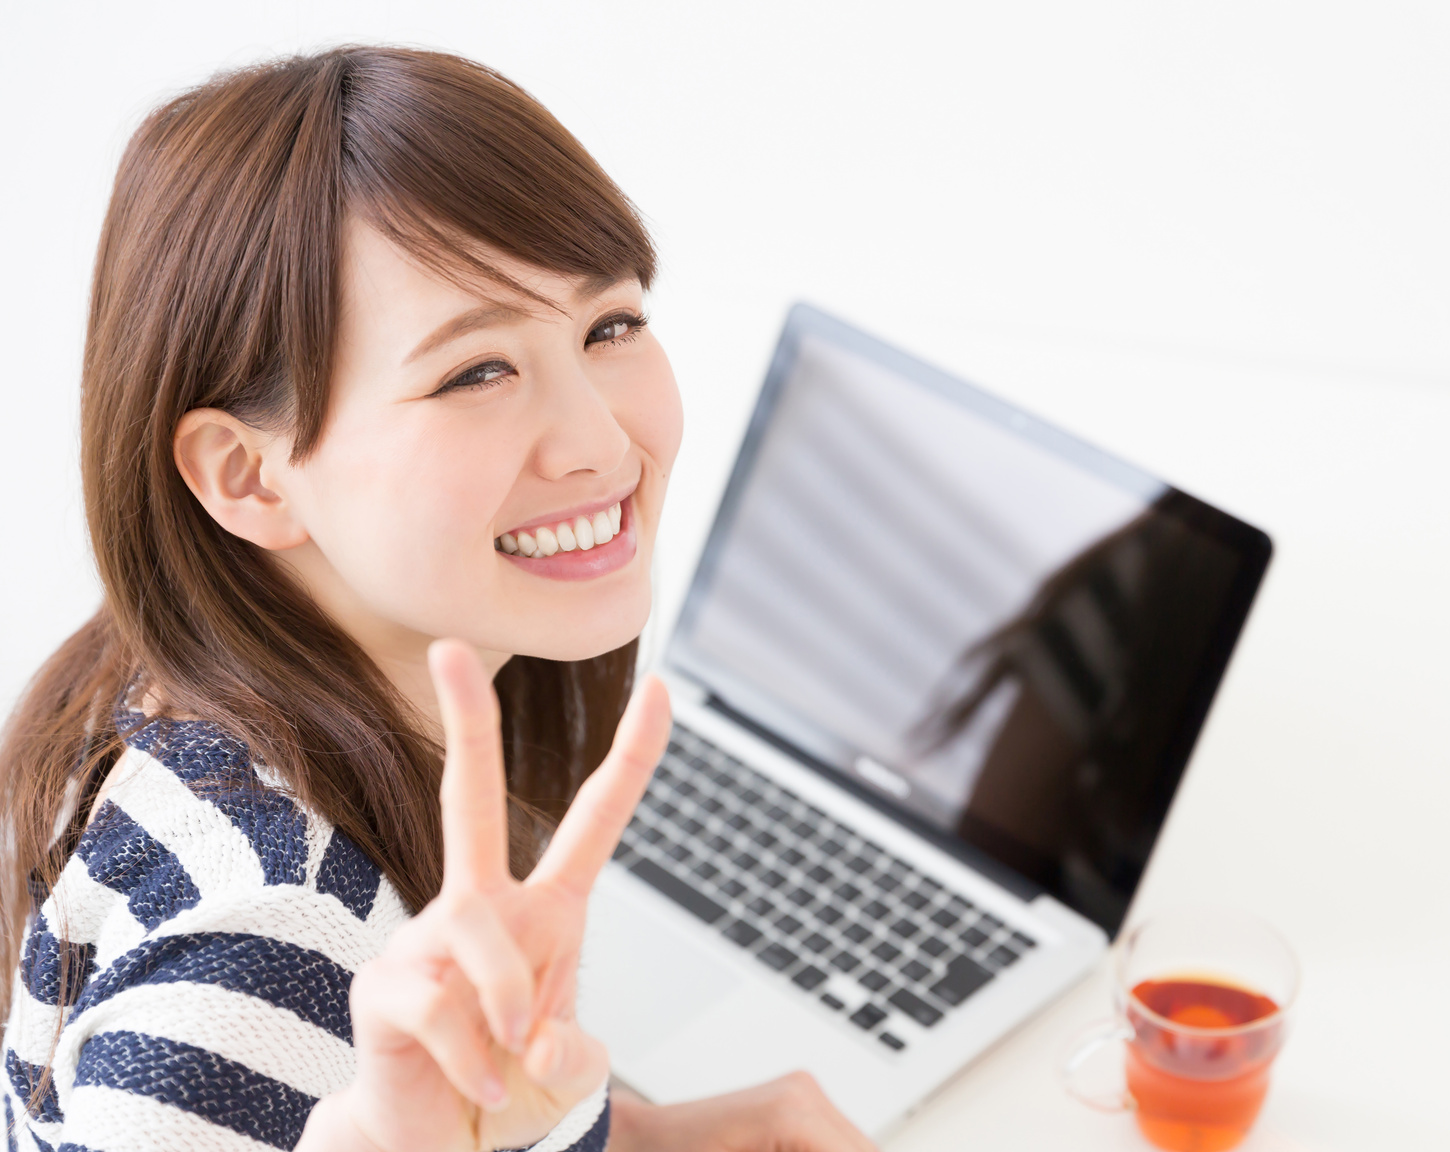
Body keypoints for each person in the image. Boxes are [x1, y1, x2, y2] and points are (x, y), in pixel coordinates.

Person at [0, 45, 874, 1152]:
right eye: (475, 373)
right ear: (248, 475)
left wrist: (662, 1137)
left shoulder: (171, 679)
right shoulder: (273, 929)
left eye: (608, 326)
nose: (601, 445)